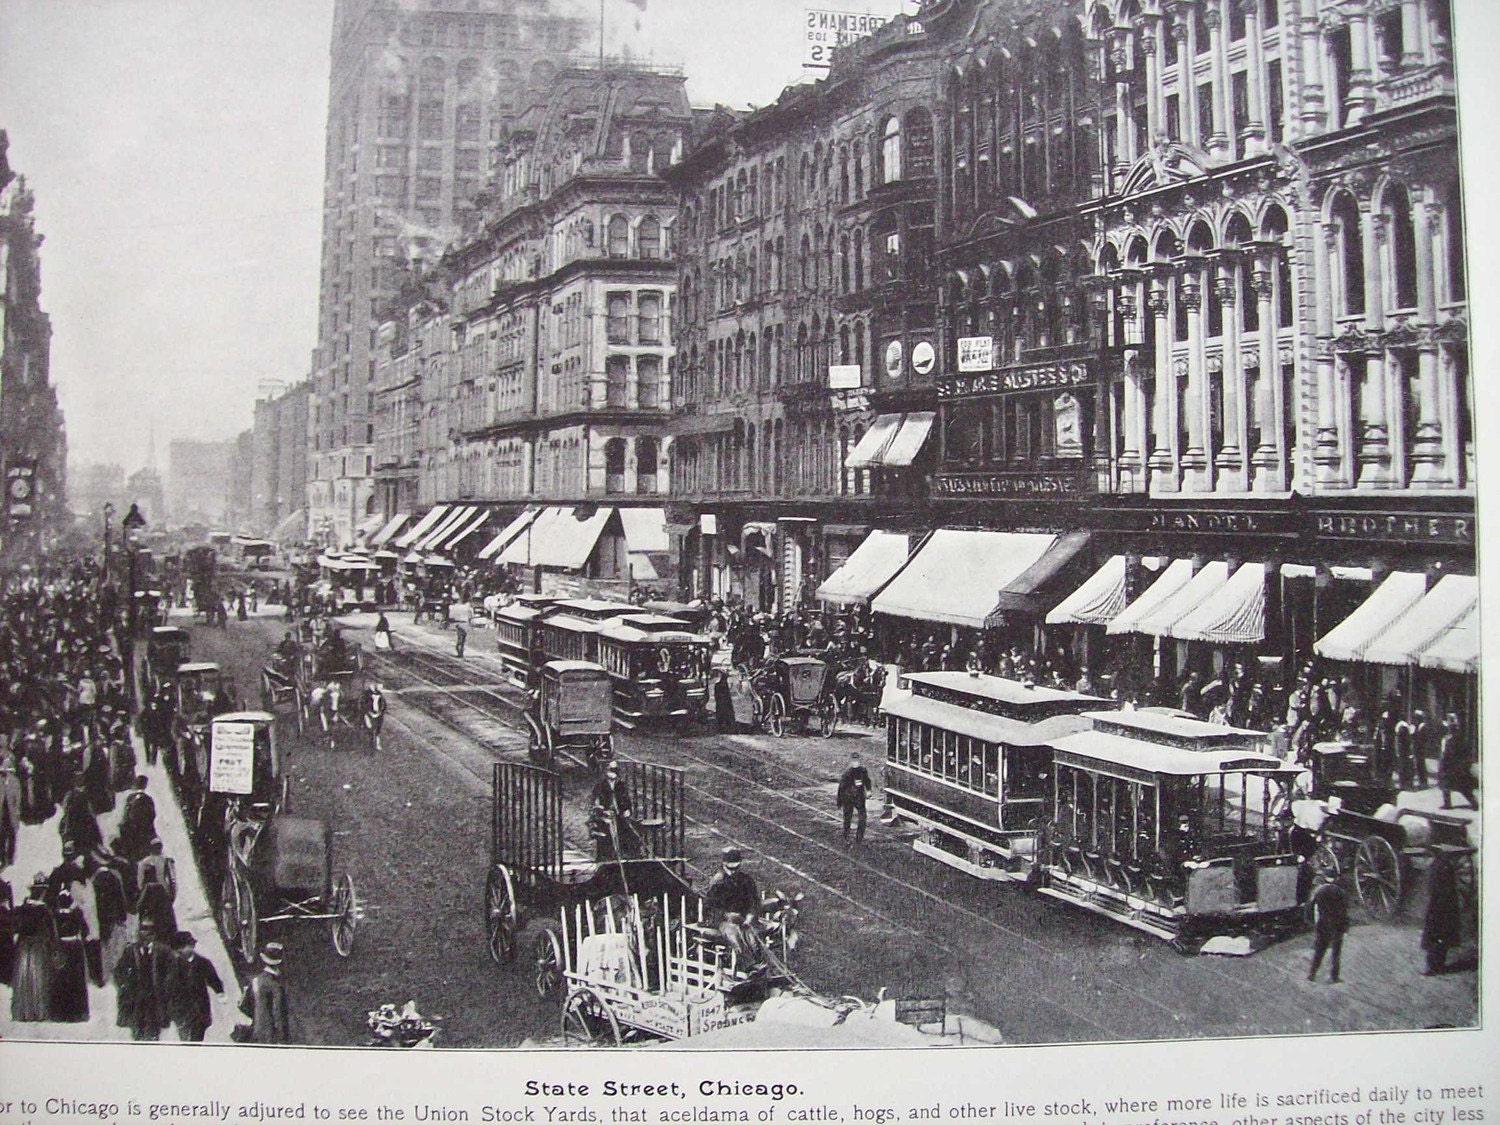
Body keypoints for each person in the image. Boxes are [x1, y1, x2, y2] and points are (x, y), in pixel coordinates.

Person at [115, 916, 173, 1040]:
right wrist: (124, 985)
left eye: (150, 930)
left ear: (154, 933)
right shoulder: (131, 950)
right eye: (143, 929)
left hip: (156, 999)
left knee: (154, 1033)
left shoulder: (164, 952)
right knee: (137, 1033)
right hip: (136, 999)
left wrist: (166, 986)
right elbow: (119, 971)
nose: (146, 933)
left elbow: (173, 971)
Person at [11, 874, 58, 1021]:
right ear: (42, 892)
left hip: (24, 948)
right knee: (38, 979)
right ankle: (38, 1012)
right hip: (39, 948)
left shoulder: (23, 908)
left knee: (24, 979)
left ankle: (23, 1012)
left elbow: (15, 928)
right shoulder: (45, 911)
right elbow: (52, 934)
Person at [704, 847, 762, 961]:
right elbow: (710, 906)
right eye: (729, 868)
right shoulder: (718, 882)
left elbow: (754, 901)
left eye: (736, 868)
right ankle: (748, 966)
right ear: (723, 865)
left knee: (752, 938)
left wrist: (750, 915)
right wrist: (726, 915)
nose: (733, 871)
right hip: (724, 921)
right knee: (735, 937)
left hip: (743, 919)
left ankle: (759, 963)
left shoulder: (746, 880)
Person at [168, 930, 225, 1041]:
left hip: (200, 1008)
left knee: (197, 1037)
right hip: (181, 1009)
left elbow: (213, 978)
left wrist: (219, 992)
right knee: (184, 1036)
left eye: (190, 945)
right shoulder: (173, 964)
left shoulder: (203, 962)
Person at [49, 889, 91, 1022]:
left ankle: (59, 1013)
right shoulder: (77, 914)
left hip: (61, 946)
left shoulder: (54, 915)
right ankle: (76, 1013)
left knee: (60, 979)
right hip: (74, 948)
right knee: (76, 979)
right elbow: (85, 931)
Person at [1421, 850, 1464, 976]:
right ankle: (1437, 964)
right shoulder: (1443, 865)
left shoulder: (1439, 867)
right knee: (1440, 935)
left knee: (1437, 935)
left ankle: (1435, 966)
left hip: (1440, 905)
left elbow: (1436, 889)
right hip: (1443, 904)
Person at [241, 941, 292, 1043]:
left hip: (257, 1032)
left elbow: (245, 1006)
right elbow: (278, 1014)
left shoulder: (255, 980)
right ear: (279, 963)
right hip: (272, 1037)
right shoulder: (276, 985)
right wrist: (282, 1039)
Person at [1307, 879, 1350, 984]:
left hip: (1323, 925)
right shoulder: (1341, 892)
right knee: (1336, 953)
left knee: (1319, 951)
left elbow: (1310, 908)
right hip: (1337, 926)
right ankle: (1334, 976)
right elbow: (1345, 912)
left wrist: (1311, 922)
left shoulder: (1319, 892)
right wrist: (1345, 928)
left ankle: (1312, 974)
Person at [1438, 713, 1477, 810]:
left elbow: (1459, 752)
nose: (1449, 728)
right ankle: (1447, 803)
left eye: (1451, 726)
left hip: (1454, 765)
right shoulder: (1447, 737)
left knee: (1461, 786)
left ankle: (1474, 803)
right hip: (1446, 764)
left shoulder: (1457, 738)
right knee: (1445, 784)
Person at [836, 754, 874, 844]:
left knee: (862, 816)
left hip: (859, 798)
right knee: (848, 817)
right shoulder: (847, 774)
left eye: (857, 760)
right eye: (854, 760)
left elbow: (867, 781)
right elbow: (841, 788)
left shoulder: (863, 771)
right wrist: (840, 800)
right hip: (848, 798)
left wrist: (868, 790)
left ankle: (859, 837)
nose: (855, 762)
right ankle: (846, 835)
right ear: (851, 761)